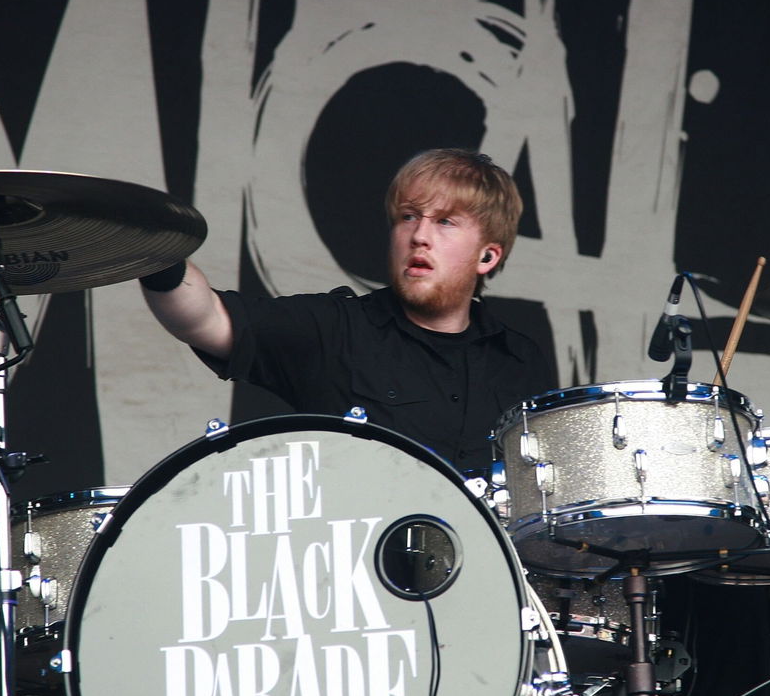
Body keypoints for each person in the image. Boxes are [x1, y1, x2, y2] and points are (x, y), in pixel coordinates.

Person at [139, 148, 555, 471]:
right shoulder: (336, 329)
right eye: (408, 217)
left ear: (488, 256)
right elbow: (203, 317)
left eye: (445, 222)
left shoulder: (520, 360)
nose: (419, 235)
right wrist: (149, 246)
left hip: (492, 577)